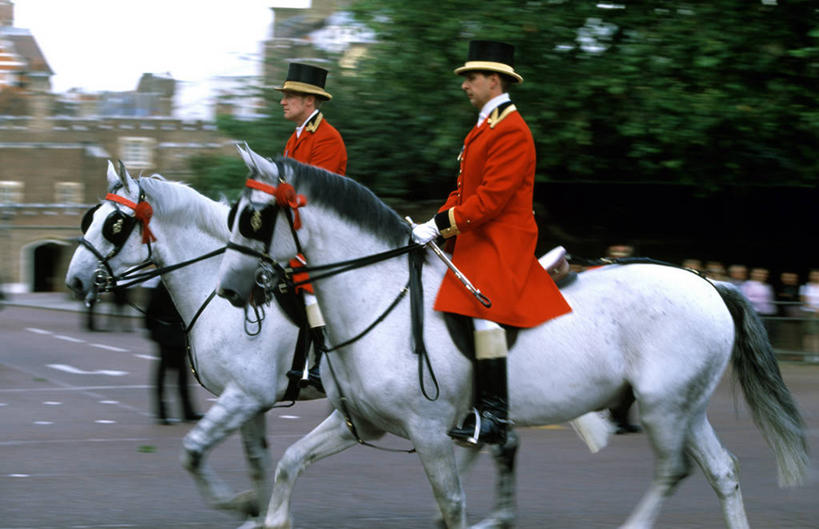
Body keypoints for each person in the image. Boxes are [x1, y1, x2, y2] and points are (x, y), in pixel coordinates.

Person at [412, 40, 572, 445]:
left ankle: (494, 415)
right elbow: (464, 192)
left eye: (472, 78)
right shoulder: (484, 126)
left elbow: (491, 200)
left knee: (484, 311)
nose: (465, 84)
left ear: (494, 81)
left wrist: (442, 226)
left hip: (502, 238)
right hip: (477, 235)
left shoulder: (512, 130)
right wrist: (432, 223)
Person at [275, 62, 348, 392]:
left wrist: (282, 195)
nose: (282, 101)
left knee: (308, 284)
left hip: (318, 233)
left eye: (289, 96)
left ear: (309, 100)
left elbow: (316, 196)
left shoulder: (327, 139)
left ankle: (322, 359)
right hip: (296, 229)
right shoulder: (295, 138)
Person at [145, 280, 201, 425]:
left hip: (174, 332)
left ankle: (180, 411)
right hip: (168, 332)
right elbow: (152, 309)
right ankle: (168, 411)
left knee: (177, 373)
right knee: (168, 373)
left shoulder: (173, 284)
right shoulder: (168, 284)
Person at [800, 269, 819, 353]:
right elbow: (804, 301)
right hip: (809, 313)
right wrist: (816, 309)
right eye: (814, 275)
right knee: (809, 334)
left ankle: (816, 354)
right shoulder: (805, 287)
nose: (816, 277)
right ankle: (808, 354)